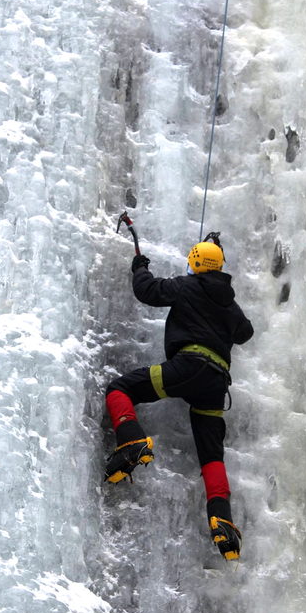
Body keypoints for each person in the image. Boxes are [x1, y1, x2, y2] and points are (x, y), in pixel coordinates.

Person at [104, 237, 254, 560]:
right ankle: (222, 520)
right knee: (211, 454)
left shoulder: (187, 286)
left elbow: (148, 291)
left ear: (195, 263)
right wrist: (225, 305)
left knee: (120, 388)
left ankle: (131, 440)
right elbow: (245, 332)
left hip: (187, 367)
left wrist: (140, 266)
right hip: (215, 384)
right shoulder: (229, 305)